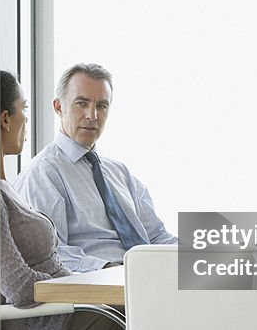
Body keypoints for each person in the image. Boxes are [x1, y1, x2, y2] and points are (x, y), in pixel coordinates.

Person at [0, 70, 126, 330]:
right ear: (5, 119)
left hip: (75, 317)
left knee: (194, 299)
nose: (26, 120)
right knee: (178, 317)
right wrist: (93, 288)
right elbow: (18, 286)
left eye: (102, 105)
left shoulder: (3, 189)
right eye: (24, 109)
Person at [14, 63, 178, 271]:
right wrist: (116, 271)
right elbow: (53, 255)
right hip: (101, 289)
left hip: (146, 280)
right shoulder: (43, 173)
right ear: (58, 107)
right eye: (82, 103)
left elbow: (157, 237)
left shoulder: (120, 173)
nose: (93, 115)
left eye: (102, 106)